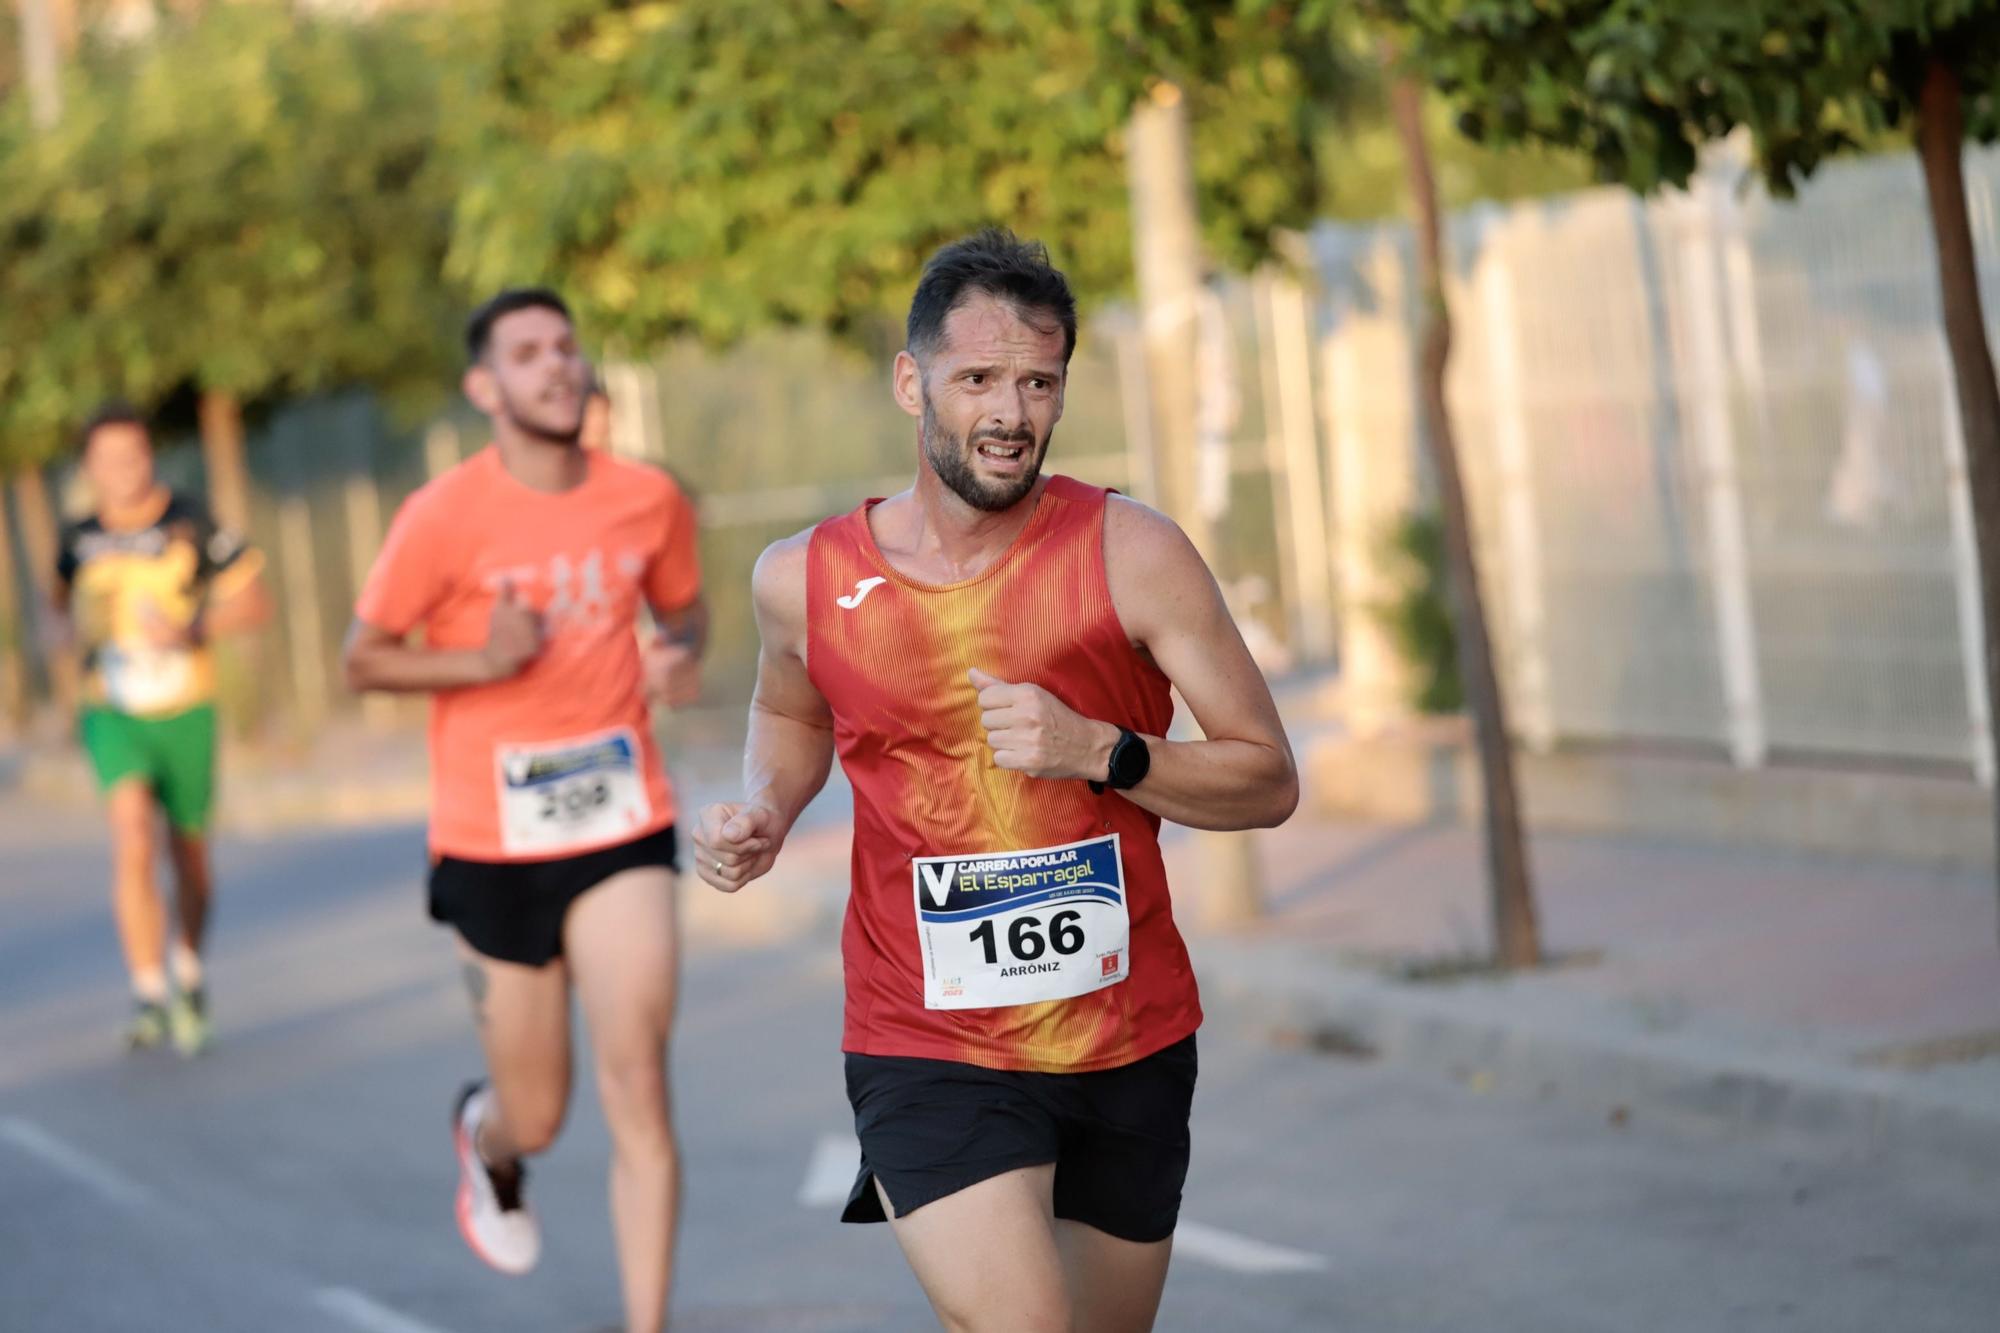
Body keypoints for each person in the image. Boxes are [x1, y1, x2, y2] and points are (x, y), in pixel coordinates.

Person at [692, 230, 1298, 1333]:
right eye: (978, 379)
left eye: (1037, 381)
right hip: (924, 1036)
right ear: (911, 382)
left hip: (1125, 1031)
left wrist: (1102, 752)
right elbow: (788, 706)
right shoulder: (803, 579)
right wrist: (768, 810)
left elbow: (1265, 779)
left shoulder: (1131, 552)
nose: (1010, 413)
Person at [342, 288, 705, 1333]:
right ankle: (488, 1140)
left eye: (565, 346)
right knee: (539, 1112)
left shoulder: (646, 498)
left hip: (621, 818)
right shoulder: (441, 516)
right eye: (527, 353)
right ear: (484, 387)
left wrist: (679, 656)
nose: (555, 365)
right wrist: (480, 659)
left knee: (637, 1077)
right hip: (491, 842)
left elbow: (684, 609)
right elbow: (361, 656)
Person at [51, 403, 271, 1056]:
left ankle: (190, 972)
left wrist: (192, 629)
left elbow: (253, 600)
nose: (123, 469)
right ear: (89, 467)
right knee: (131, 836)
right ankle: (148, 992)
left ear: (150, 456)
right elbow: (55, 613)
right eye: (108, 458)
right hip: (112, 709)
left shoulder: (191, 518)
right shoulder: (76, 538)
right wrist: (67, 635)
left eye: (134, 454)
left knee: (189, 855)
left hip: (186, 706)